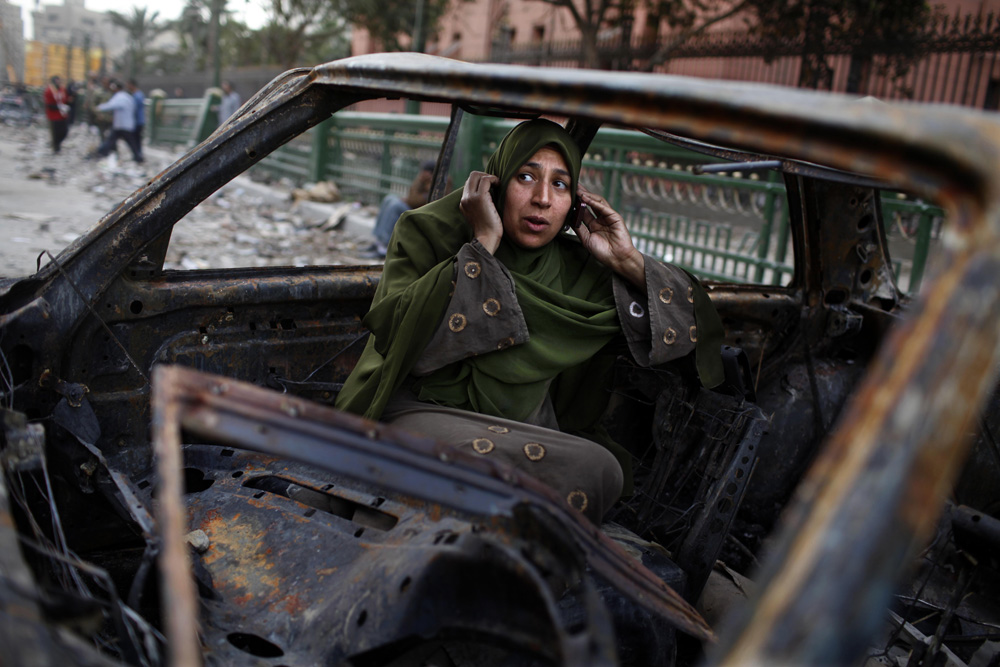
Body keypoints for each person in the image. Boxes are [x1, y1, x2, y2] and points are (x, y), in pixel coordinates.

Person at [335, 119, 724, 524]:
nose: (541, 198)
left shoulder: (577, 269)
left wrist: (626, 260)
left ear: (575, 201)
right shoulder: (428, 232)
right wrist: (482, 244)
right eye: (526, 176)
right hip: (416, 411)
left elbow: (696, 332)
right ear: (494, 184)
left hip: (527, 430)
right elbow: (407, 343)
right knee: (583, 470)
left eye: (560, 184)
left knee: (599, 467)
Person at [370, 160, 439, 257]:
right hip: (416, 209)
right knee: (389, 199)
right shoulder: (426, 182)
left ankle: (384, 246)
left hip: (422, 215)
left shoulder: (436, 183)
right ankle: (377, 241)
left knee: (395, 205)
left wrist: (419, 181)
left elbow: (414, 201)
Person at [89, 79, 143, 164]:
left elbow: (112, 105)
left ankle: (138, 157)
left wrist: (99, 108)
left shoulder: (120, 97)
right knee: (112, 140)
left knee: (127, 141)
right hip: (122, 124)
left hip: (123, 125)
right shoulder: (126, 96)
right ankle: (102, 152)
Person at [42, 76, 70, 153]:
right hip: (53, 115)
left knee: (64, 131)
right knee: (55, 133)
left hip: (62, 115)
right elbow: (49, 104)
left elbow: (66, 99)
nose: (58, 83)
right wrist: (59, 107)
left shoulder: (62, 89)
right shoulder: (49, 91)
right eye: (56, 81)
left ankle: (57, 143)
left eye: (59, 81)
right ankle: (56, 148)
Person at [127, 79, 145, 162]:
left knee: (136, 139)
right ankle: (138, 155)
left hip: (137, 121)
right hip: (138, 121)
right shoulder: (138, 94)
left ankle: (138, 156)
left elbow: (134, 108)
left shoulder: (137, 95)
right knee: (136, 139)